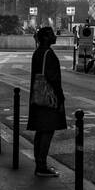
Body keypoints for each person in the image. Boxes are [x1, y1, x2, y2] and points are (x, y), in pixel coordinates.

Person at [27, 24, 67, 176]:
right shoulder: (48, 53)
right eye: (51, 34)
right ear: (45, 38)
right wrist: (60, 98)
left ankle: (39, 163)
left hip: (38, 96)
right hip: (48, 98)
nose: (54, 36)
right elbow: (53, 79)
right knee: (47, 130)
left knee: (40, 130)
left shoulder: (38, 52)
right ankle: (42, 166)